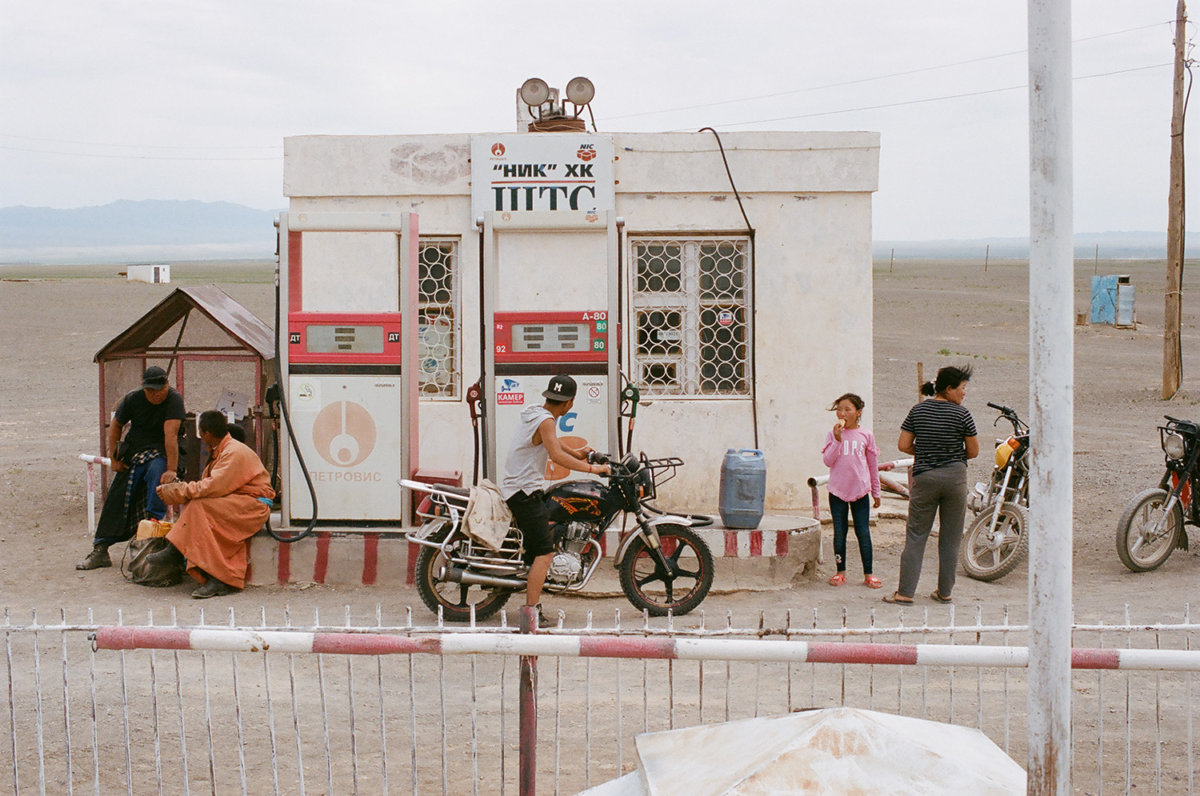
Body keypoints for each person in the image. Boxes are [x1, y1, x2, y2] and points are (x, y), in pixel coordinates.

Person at [499, 374, 610, 627]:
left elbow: (552, 444)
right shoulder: (547, 421)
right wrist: (594, 470)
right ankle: (531, 613)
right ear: (569, 403)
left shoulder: (537, 413)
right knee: (545, 552)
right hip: (524, 493)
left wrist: (577, 452)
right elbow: (556, 455)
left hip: (518, 488)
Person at [150, 410, 274, 598]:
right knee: (198, 506)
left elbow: (215, 486)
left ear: (206, 433)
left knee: (200, 506)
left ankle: (217, 577)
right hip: (240, 502)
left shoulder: (233, 451)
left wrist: (181, 490)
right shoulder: (223, 450)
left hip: (253, 506)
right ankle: (177, 551)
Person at [884, 365, 979, 605]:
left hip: (925, 478)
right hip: (955, 479)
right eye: (963, 388)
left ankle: (905, 593)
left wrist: (926, 453)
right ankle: (944, 592)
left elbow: (903, 444)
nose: (964, 393)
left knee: (916, 535)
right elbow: (974, 451)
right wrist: (951, 457)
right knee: (951, 536)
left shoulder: (918, 410)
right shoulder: (962, 414)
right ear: (949, 389)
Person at [76, 365, 186, 570]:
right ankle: (101, 548)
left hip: (162, 452)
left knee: (158, 478)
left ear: (167, 385)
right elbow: (116, 425)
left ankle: (152, 533)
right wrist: (114, 458)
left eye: (159, 389)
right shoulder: (133, 399)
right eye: (151, 390)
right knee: (117, 494)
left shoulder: (174, 400)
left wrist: (171, 469)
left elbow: (170, 436)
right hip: (135, 452)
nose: (155, 394)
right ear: (144, 388)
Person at [821, 393, 882, 588]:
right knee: (840, 532)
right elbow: (827, 461)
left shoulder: (866, 435)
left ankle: (869, 574)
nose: (842, 413)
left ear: (858, 413)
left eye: (848, 409)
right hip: (837, 491)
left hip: (860, 491)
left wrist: (876, 491)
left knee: (863, 532)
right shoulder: (832, 434)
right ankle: (840, 572)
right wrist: (837, 440)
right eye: (840, 409)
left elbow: (872, 465)